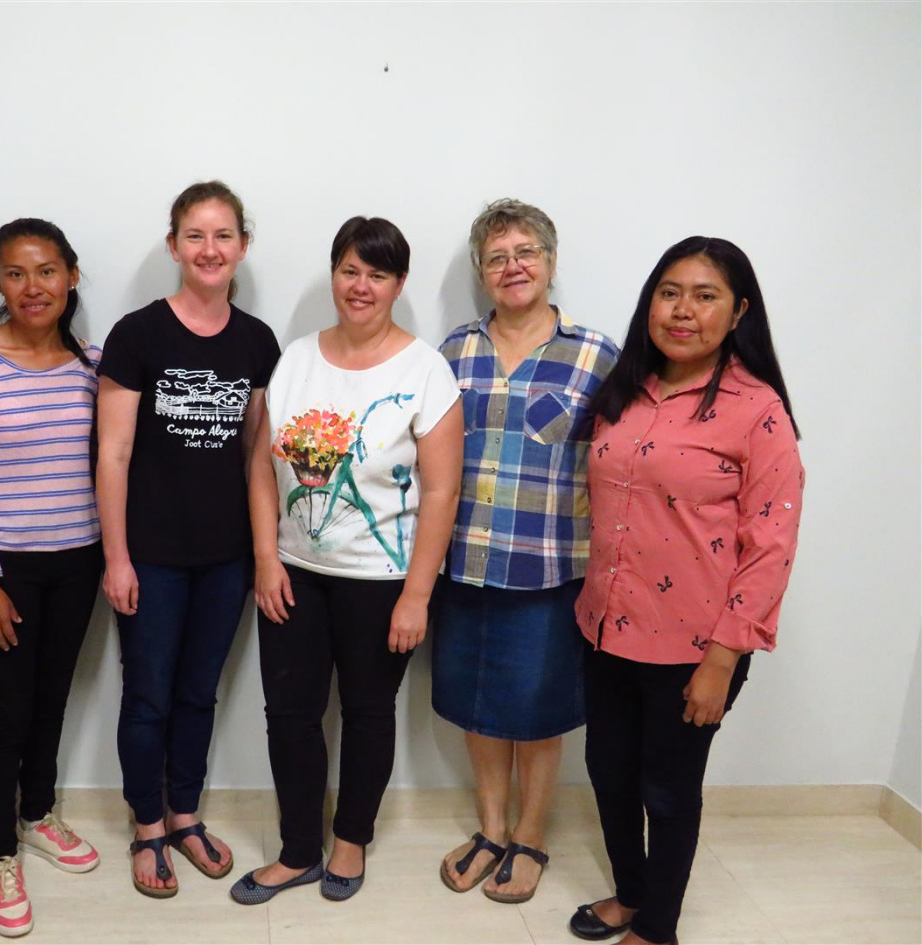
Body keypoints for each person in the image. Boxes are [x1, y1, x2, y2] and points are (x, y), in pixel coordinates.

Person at [568, 237, 803, 945]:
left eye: (705, 296)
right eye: (669, 293)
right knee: (608, 772)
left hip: (695, 645)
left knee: (667, 791)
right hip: (604, 625)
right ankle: (631, 894)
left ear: (739, 312)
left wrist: (724, 659)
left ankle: (658, 927)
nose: (683, 310)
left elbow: (771, 546)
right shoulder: (624, 390)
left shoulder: (758, 411)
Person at [231, 216, 462, 905]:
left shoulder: (425, 370)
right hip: (293, 573)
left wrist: (417, 595)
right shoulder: (297, 357)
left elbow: (442, 491)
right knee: (289, 714)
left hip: (381, 581)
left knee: (367, 711)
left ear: (399, 283)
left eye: (377, 274)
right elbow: (261, 465)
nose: (361, 286)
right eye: (350, 271)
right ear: (333, 274)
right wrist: (266, 558)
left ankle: (351, 840)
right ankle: (298, 849)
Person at [96, 181, 281, 898]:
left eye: (223, 235)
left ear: (243, 246)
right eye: (195, 235)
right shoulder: (137, 334)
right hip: (149, 556)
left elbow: (256, 455)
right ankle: (147, 826)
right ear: (174, 246)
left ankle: (185, 814)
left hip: (225, 558)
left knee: (199, 694)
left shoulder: (256, 341)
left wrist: (261, 555)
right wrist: (117, 557)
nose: (210, 249)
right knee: (148, 696)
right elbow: (112, 454)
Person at [435, 199, 618, 903]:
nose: (512, 267)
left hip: (550, 569)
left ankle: (532, 834)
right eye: (497, 257)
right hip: (464, 562)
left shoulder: (596, 355)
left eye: (525, 253)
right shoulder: (453, 352)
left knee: (538, 713)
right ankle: (491, 829)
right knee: (478, 704)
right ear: (482, 272)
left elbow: (619, 464)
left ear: (550, 261)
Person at [0, 218, 104, 935]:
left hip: (77, 563)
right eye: (15, 273)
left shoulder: (94, 363)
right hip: (1, 570)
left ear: (71, 276)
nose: (32, 287)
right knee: (5, 712)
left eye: (46, 271)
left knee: (50, 700)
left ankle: (37, 813)